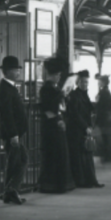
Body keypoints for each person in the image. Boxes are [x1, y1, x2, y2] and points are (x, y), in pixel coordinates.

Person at [37, 57, 75, 194]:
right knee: (54, 155)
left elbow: (60, 105)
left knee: (59, 155)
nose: (58, 77)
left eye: (59, 75)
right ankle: (52, 185)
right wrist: (58, 120)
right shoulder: (46, 89)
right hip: (51, 126)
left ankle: (59, 184)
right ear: (51, 75)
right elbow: (48, 108)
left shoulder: (54, 88)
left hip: (57, 123)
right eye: (57, 75)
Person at [0, 55, 28, 204]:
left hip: (16, 133)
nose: (18, 73)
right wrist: (13, 134)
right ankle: (11, 190)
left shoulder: (9, 87)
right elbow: (7, 113)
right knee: (22, 160)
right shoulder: (5, 88)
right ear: (8, 71)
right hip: (12, 134)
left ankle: (8, 193)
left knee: (14, 162)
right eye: (16, 70)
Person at [66, 70, 104, 188]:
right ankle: (82, 181)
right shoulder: (74, 95)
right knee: (80, 156)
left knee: (87, 155)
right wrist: (85, 126)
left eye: (86, 82)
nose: (85, 84)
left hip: (84, 128)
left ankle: (90, 180)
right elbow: (75, 114)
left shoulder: (84, 94)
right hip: (77, 130)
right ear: (78, 82)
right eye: (82, 82)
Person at [94, 75, 111, 163]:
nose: (98, 83)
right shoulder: (106, 91)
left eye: (99, 81)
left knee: (106, 136)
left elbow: (101, 105)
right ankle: (108, 155)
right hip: (105, 117)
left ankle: (108, 156)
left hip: (103, 117)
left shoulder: (104, 92)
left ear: (103, 82)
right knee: (107, 136)